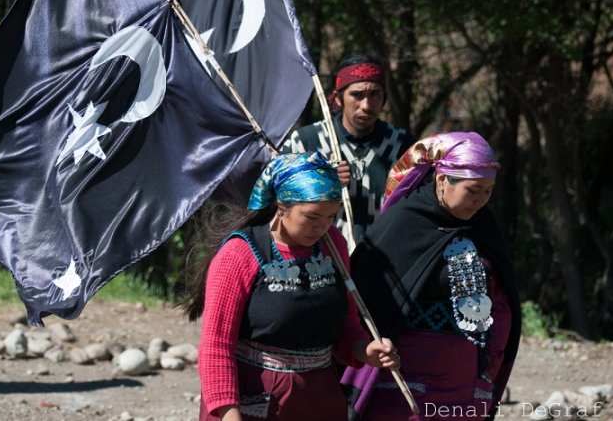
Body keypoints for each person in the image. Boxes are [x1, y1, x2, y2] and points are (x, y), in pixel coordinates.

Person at [181, 152, 399, 421]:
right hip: (254, 400)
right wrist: (229, 413)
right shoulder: (239, 254)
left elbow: (346, 324)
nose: (322, 226)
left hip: (319, 396)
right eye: (312, 217)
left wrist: (364, 351)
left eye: (331, 216)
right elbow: (216, 345)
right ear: (282, 207)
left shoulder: (333, 245)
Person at [340, 132, 521, 420]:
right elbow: (365, 303)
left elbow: (501, 297)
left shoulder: (485, 228)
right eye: (473, 190)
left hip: (465, 378)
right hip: (404, 378)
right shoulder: (403, 224)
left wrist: (490, 363)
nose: (480, 200)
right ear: (441, 180)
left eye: (488, 191)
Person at [282, 53, 415, 243]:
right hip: (321, 257)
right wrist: (319, 181)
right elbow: (272, 193)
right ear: (338, 98)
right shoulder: (306, 141)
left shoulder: (403, 145)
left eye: (375, 94)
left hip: (386, 260)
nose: (366, 105)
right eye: (357, 95)